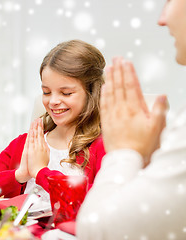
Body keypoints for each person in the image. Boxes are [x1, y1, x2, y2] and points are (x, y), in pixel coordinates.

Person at [76, 1, 186, 239]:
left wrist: (124, 151)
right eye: (45, 92)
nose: (162, 18)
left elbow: (101, 229)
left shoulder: (99, 144)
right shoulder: (30, 138)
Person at [0, 40, 106, 206]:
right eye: (46, 92)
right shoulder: (27, 144)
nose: (53, 101)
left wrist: (41, 172)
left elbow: (100, 201)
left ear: (91, 93)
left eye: (66, 93)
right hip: (22, 232)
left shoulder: (103, 147)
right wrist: (19, 175)